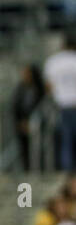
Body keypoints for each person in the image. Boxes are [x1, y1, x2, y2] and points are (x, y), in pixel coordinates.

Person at [43, 32, 76, 171]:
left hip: (62, 104)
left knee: (66, 139)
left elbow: (49, 86)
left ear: (62, 45)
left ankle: (68, 170)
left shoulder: (53, 61)